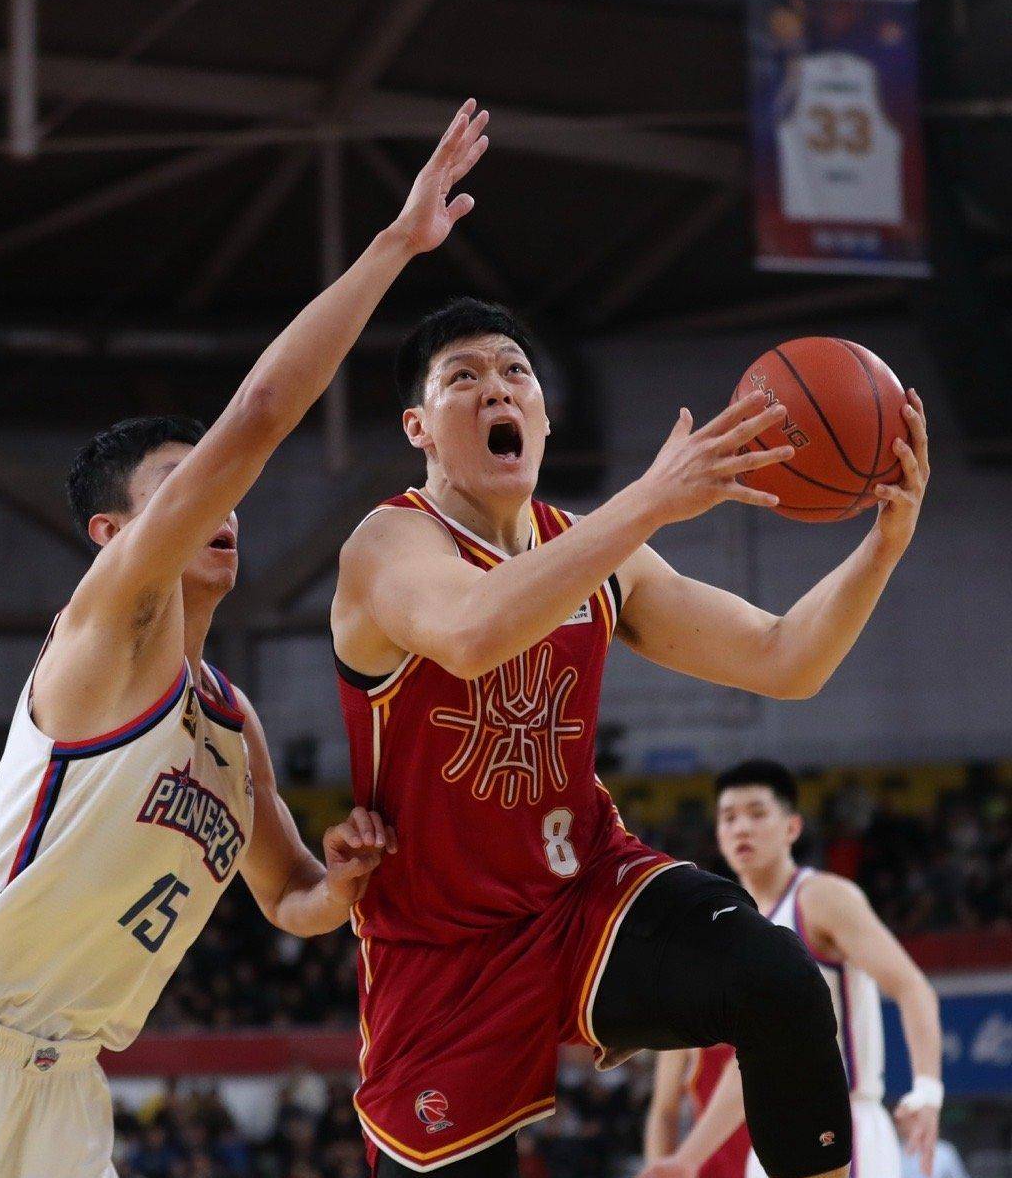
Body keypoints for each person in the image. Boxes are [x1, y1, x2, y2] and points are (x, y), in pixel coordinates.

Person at [0, 100, 490, 1178]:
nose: (216, 504)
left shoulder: (232, 723)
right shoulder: (102, 628)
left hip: (71, 1079)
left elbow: (291, 902)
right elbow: (265, 411)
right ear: (112, 534)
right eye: (178, 490)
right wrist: (394, 246)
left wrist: (348, 878)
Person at [330, 296, 931, 1177]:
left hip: (585, 898)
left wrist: (884, 546)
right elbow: (470, 632)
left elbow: (784, 657)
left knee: (779, 979)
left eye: (515, 373)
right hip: (443, 954)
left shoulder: (596, 549)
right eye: (464, 378)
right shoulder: (388, 543)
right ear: (419, 425)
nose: (496, 388)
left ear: (540, 415)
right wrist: (650, 500)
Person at [644, 760, 943, 1178]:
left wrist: (927, 1089)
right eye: (729, 817)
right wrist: (686, 1160)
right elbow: (751, 1064)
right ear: (718, 835)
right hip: (771, 1138)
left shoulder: (821, 897)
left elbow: (913, 987)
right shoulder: (732, 927)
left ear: (792, 828)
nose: (741, 827)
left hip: (845, 1128)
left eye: (757, 813)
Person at [645, 1046, 750, 1178]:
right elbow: (665, 1113)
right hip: (706, 1168)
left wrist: (684, 1160)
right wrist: (660, 1170)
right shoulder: (682, 1034)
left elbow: (744, 1074)